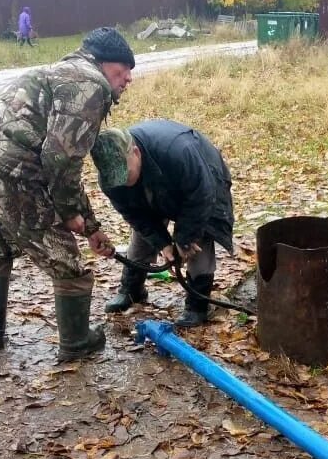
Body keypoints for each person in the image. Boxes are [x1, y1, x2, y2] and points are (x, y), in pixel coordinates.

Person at [0, 27, 135, 361]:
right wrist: (69, 214)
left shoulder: (62, 71)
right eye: (122, 70)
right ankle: (77, 342)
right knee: (65, 260)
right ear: (103, 65)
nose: (127, 79)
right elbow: (61, 159)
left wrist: (92, 227)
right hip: (12, 166)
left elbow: (59, 158)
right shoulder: (91, 85)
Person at [91, 120, 234, 328]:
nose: (121, 182)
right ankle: (131, 290)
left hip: (203, 181)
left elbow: (202, 196)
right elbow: (136, 216)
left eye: (126, 175)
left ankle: (197, 305)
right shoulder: (111, 179)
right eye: (116, 178)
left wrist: (183, 238)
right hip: (161, 185)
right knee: (142, 236)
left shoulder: (178, 152)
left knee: (199, 238)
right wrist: (163, 243)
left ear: (136, 153)